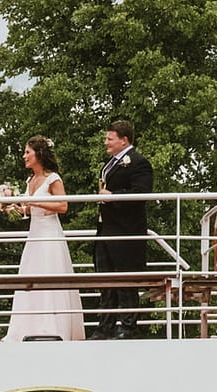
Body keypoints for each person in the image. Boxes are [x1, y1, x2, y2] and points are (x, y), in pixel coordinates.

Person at [0, 136, 83, 342]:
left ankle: (54, 327)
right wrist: (10, 207)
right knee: (30, 278)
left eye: (27, 152)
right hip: (34, 235)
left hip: (49, 235)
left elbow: (63, 206)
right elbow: (28, 209)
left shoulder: (53, 178)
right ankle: (27, 327)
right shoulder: (30, 180)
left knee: (50, 275)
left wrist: (36, 201)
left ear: (39, 154)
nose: (24, 156)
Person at [90, 119, 154, 339]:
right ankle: (104, 326)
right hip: (106, 230)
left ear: (124, 140)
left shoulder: (138, 162)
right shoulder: (110, 163)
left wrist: (113, 197)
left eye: (110, 138)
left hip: (126, 232)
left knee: (126, 280)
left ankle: (127, 326)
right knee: (105, 280)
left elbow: (142, 192)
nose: (105, 142)